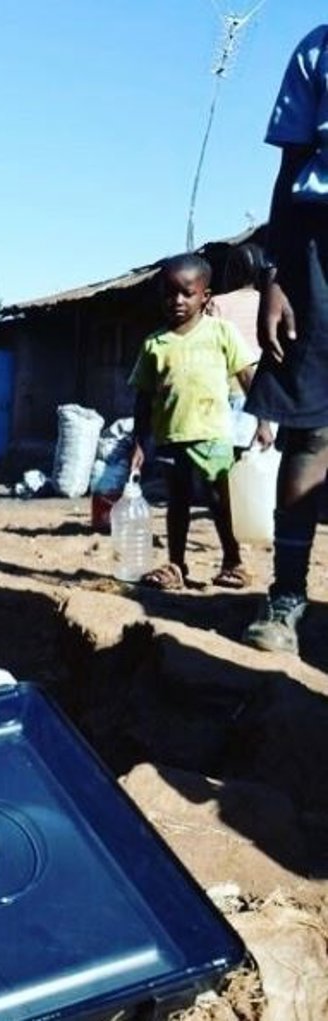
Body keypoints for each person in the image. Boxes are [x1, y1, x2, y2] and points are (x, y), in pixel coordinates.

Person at [242, 24, 328, 654]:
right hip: (315, 248)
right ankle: (287, 598)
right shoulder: (316, 49)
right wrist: (275, 273)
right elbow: (290, 165)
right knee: (311, 428)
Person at [129, 252, 263, 591]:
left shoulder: (221, 332)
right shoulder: (154, 344)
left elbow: (247, 377)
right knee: (178, 501)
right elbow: (143, 397)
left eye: (186, 293)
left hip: (214, 434)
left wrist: (263, 420)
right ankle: (176, 564)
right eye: (169, 293)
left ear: (205, 296)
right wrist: (138, 443)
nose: (176, 300)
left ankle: (233, 561)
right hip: (170, 435)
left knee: (219, 501)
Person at [208, 242, 272, 455]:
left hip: (232, 389)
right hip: (269, 391)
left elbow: (211, 352)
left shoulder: (217, 304)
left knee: (229, 464)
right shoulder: (271, 304)